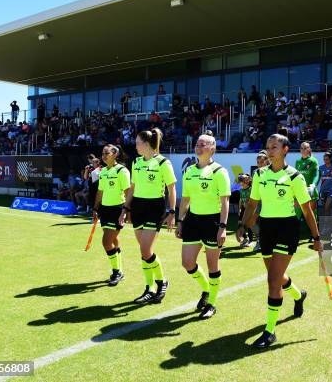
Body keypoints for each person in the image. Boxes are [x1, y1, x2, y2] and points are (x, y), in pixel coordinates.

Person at [236, 133, 322, 348]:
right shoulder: (260, 175)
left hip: (287, 228)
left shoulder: (295, 177)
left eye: (275, 146)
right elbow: (253, 203)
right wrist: (242, 225)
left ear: (285, 150)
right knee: (277, 276)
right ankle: (298, 294)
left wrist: (317, 237)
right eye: (268, 146)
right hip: (266, 228)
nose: (270, 150)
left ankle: (270, 331)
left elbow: (307, 209)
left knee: (273, 280)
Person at [175, 133, 230, 319]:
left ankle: (212, 304)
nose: (198, 146)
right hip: (192, 221)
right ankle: (206, 289)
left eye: (203, 144)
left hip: (212, 222)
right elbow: (185, 199)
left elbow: (225, 202)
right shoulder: (189, 171)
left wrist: (222, 227)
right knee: (187, 263)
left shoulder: (219, 172)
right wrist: (180, 221)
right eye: (197, 143)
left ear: (212, 148)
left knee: (212, 264)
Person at [120, 128, 177, 304]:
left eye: (137, 143)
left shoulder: (163, 163)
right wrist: (125, 208)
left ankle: (161, 282)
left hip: (155, 207)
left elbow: (171, 188)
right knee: (144, 252)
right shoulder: (136, 162)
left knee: (146, 250)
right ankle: (149, 288)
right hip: (137, 207)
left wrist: (172, 212)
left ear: (146, 144)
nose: (135, 146)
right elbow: (132, 188)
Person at [93, 145, 131, 286]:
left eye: (106, 153)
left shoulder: (122, 171)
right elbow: (100, 192)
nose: (103, 156)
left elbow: (128, 192)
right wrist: (95, 208)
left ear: (115, 154)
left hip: (117, 210)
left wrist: (127, 211)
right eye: (102, 153)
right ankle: (119, 270)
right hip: (105, 210)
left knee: (106, 242)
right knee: (113, 240)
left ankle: (117, 272)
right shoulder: (102, 172)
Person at [295, 142, 320, 221]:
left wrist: (313, 185)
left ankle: (314, 232)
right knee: (296, 213)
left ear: (309, 149)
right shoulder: (298, 162)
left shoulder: (313, 161)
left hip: (311, 191)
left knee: (311, 214)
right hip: (300, 191)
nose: (303, 150)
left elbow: (316, 175)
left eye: (305, 148)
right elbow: (296, 176)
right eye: (301, 148)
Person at [238, 174, 254, 248]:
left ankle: (250, 240)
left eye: (241, 181)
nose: (240, 183)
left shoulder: (250, 189)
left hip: (249, 209)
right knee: (240, 224)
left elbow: (252, 200)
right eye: (240, 181)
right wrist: (239, 209)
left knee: (249, 225)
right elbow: (241, 200)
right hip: (243, 209)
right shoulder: (241, 190)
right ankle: (245, 239)